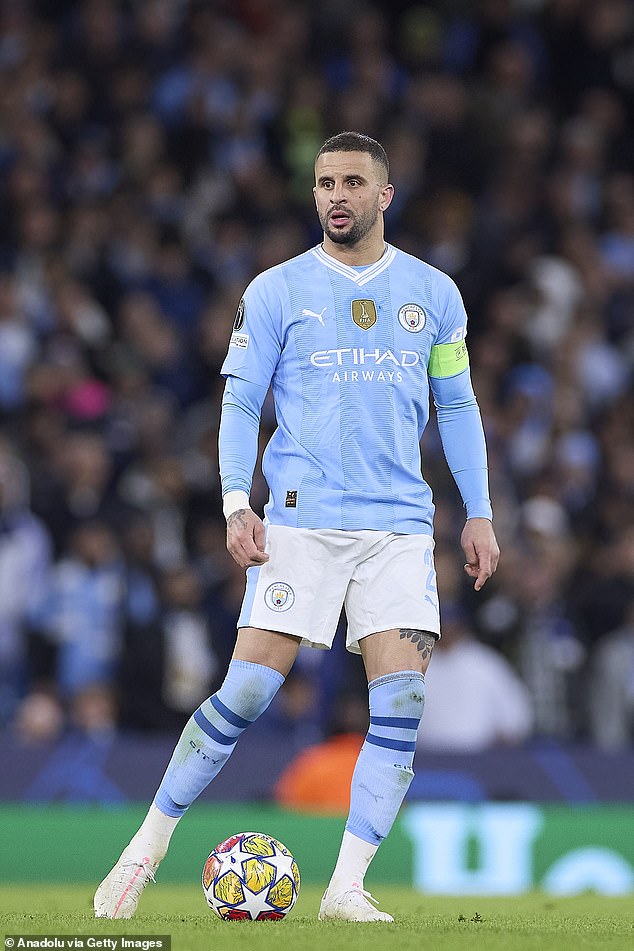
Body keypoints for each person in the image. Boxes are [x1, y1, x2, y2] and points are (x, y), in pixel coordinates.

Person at [94, 131, 499, 923]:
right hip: (302, 519)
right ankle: (142, 851)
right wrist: (231, 501)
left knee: (403, 702)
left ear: (385, 195)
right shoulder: (277, 290)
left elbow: (457, 405)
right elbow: (242, 401)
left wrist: (479, 510)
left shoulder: (434, 293)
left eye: (352, 181)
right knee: (246, 689)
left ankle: (345, 887)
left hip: (398, 526)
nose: (335, 195)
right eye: (323, 183)